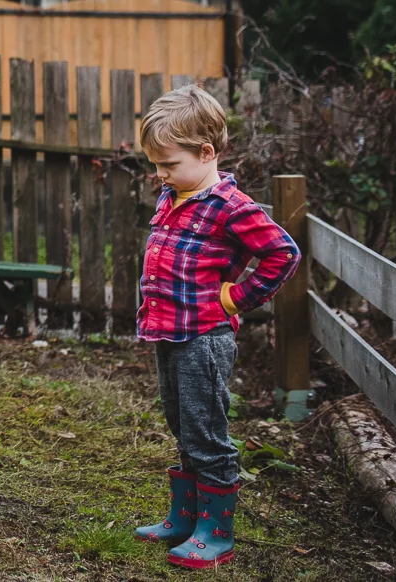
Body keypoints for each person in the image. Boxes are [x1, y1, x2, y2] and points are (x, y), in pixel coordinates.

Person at [132, 85, 300, 569]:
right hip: (169, 331)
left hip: (204, 339)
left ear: (206, 153)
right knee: (182, 425)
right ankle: (185, 518)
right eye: (157, 165)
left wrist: (239, 296)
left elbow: (283, 253)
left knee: (207, 432)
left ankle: (216, 531)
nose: (160, 175)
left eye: (168, 163)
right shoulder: (175, 194)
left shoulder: (233, 206)